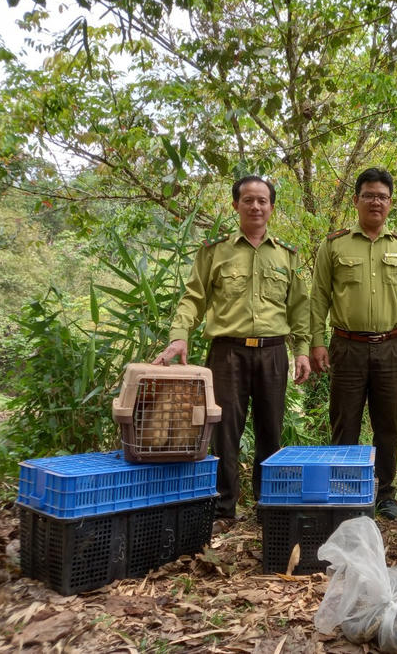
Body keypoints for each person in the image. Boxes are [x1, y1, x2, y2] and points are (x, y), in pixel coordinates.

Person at [152, 176, 311, 529]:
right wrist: (180, 336)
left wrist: (301, 350)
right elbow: (194, 297)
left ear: (271, 207)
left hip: (272, 353)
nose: (256, 207)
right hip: (227, 354)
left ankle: (268, 506)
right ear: (235, 205)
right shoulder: (215, 250)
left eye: (262, 201)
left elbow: (300, 307)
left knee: (271, 430)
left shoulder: (287, 255)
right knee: (225, 430)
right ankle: (224, 508)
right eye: (248, 200)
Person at [309, 167, 397, 520]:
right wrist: (316, 342)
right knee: (345, 421)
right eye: (369, 195)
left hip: (391, 345)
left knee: (388, 422)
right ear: (356, 200)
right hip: (347, 345)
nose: (376, 202)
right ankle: (345, 491)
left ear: (390, 204)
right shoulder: (334, 244)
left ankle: (385, 493)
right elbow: (318, 298)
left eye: (383, 197)